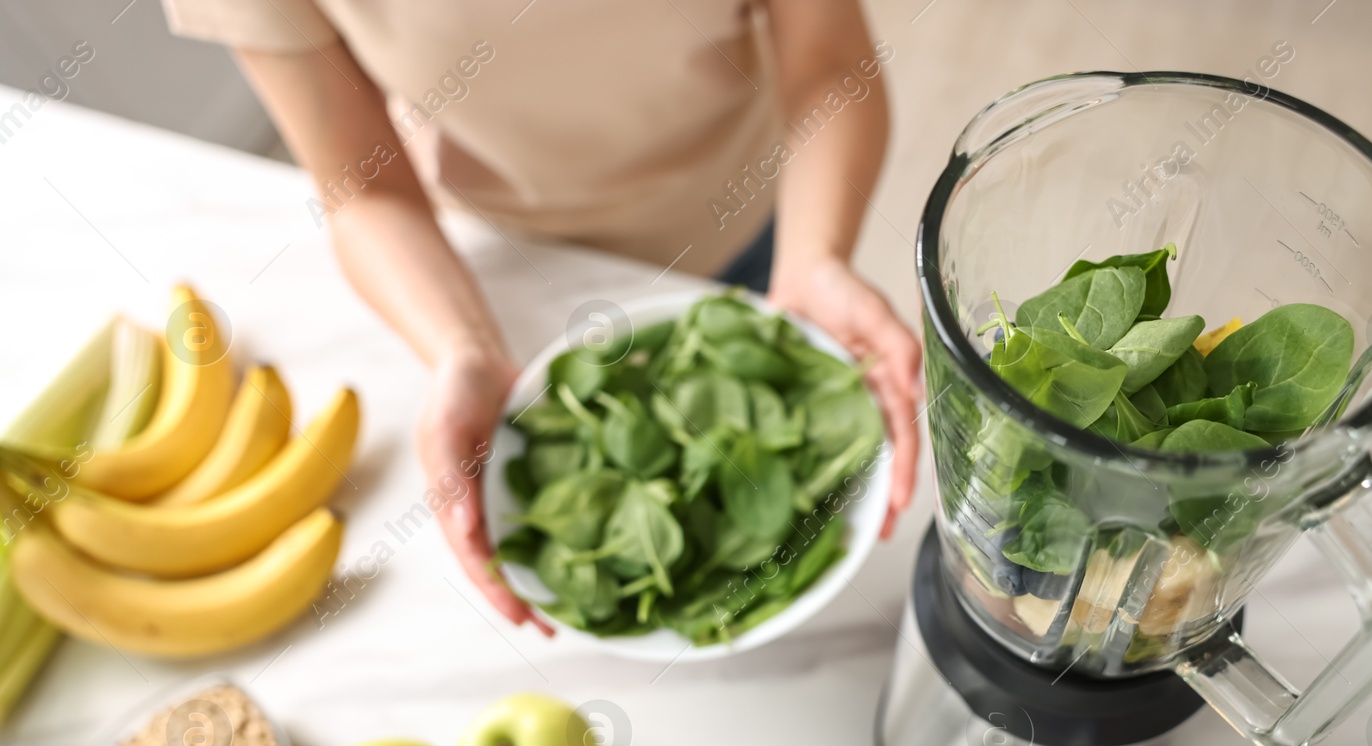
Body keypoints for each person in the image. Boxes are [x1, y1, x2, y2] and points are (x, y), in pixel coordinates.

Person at [163, 0, 922, 631]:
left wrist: (815, 257)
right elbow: (362, 188)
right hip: (504, 274)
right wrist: (459, 346)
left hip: (760, 222)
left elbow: (828, 59)